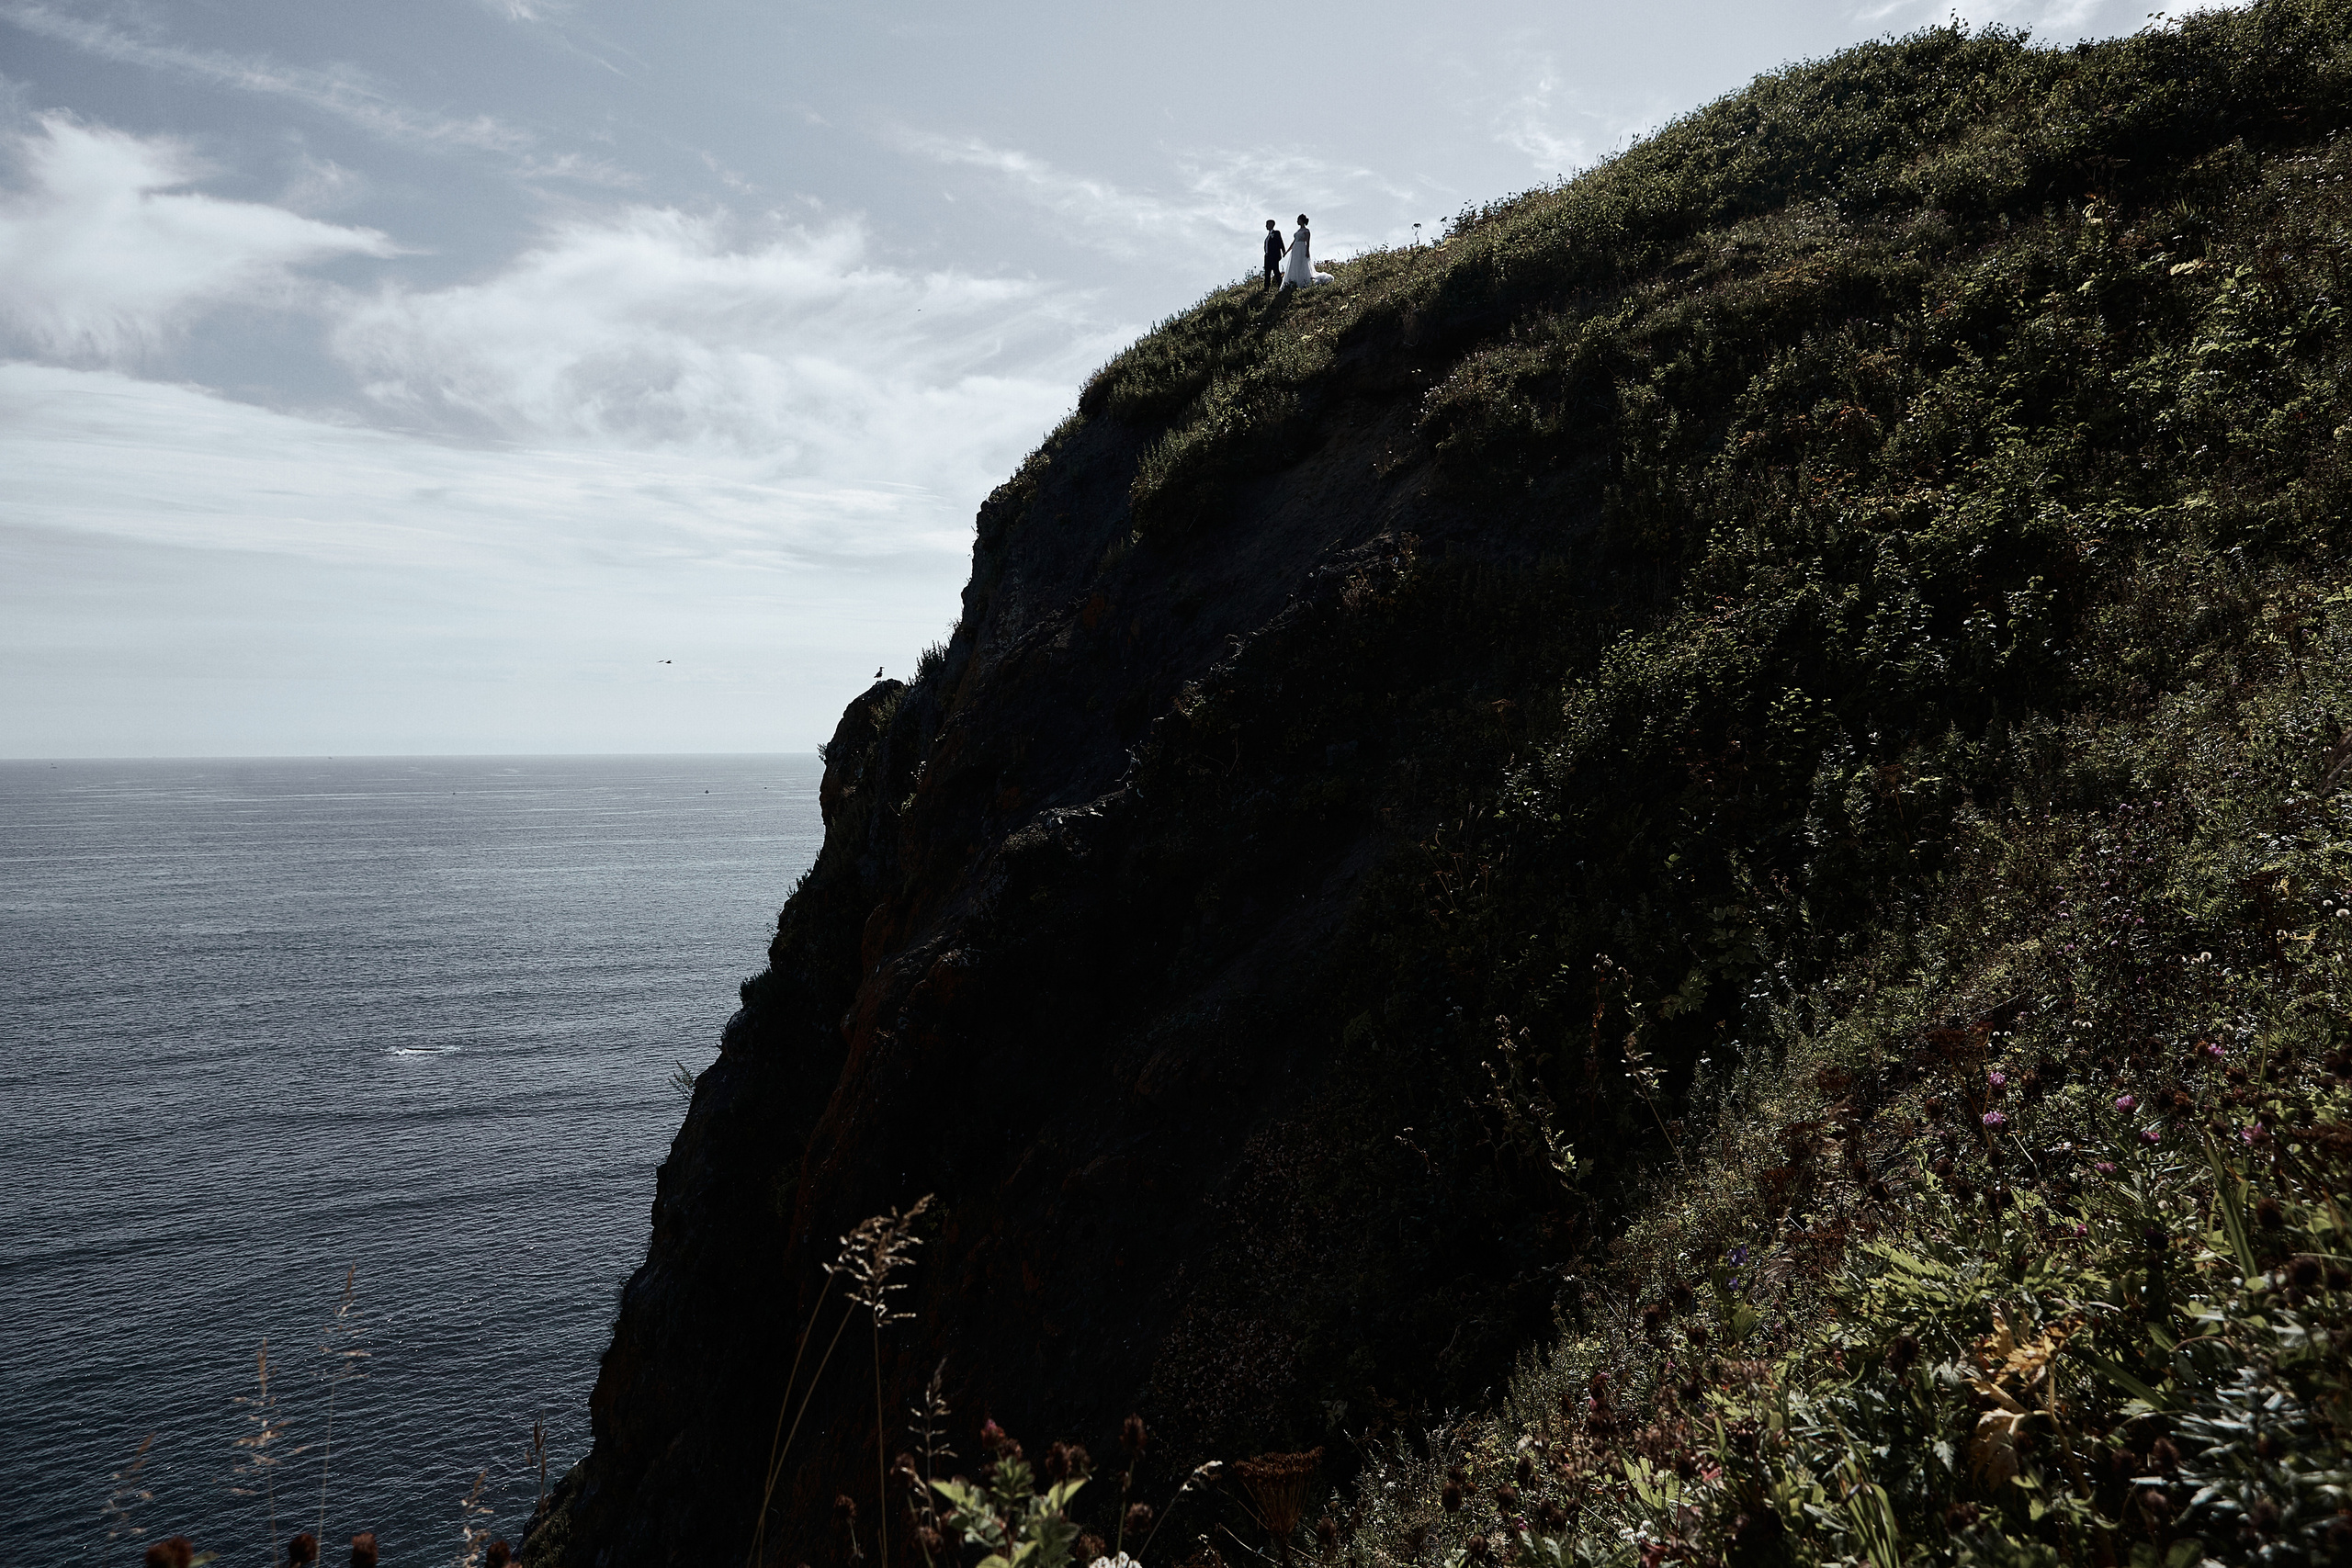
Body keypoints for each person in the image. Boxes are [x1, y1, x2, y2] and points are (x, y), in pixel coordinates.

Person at [1283, 213, 1332, 288]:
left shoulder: (1306, 231)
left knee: (1302, 263)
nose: (1297, 221)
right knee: (1295, 264)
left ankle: (1302, 280)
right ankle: (1294, 280)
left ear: (1301, 221)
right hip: (1295, 249)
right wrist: (1287, 251)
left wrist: (1307, 251)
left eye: (1298, 220)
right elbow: (1293, 242)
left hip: (1301, 248)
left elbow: (1308, 242)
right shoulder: (1298, 231)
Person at [1262, 219, 1285, 288]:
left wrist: (1283, 251)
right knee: (1267, 272)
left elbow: (1280, 242)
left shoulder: (1276, 233)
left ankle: (1280, 285)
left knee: (1276, 271)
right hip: (1267, 256)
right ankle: (1266, 287)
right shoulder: (1268, 236)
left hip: (1274, 256)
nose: (1266, 226)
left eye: (1267, 224)